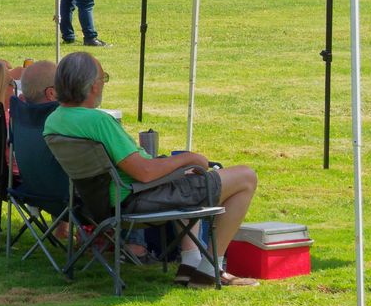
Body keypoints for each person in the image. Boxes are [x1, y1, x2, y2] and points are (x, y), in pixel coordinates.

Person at [43, 52, 259, 287]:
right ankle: (210, 268)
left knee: (185, 177)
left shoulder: (54, 120)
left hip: (97, 203)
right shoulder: (99, 121)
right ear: (93, 85)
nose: (103, 84)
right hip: (136, 198)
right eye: (103, 78)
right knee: (245, 177)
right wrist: (188, 158)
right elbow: (144, 172)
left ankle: (190, 262)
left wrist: (178, 166)